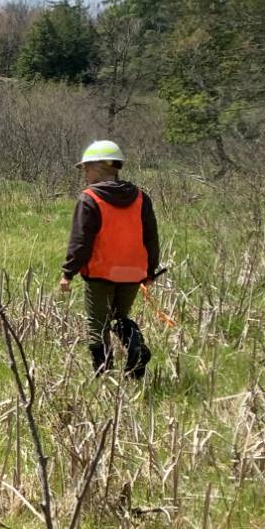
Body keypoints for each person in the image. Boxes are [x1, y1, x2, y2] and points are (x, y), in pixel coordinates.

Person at [58, 138, 160, 379]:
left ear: (97, 167)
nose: (84, 173)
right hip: (133, 272)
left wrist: (67, 273)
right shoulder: (141, 198)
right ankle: (136, 349)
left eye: (86, 167)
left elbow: (81, 242)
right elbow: (151, 239)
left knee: (97, 326)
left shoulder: (90, 199)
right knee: (119, 318)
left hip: (101, 272)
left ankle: (103, 378)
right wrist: (150, 272)